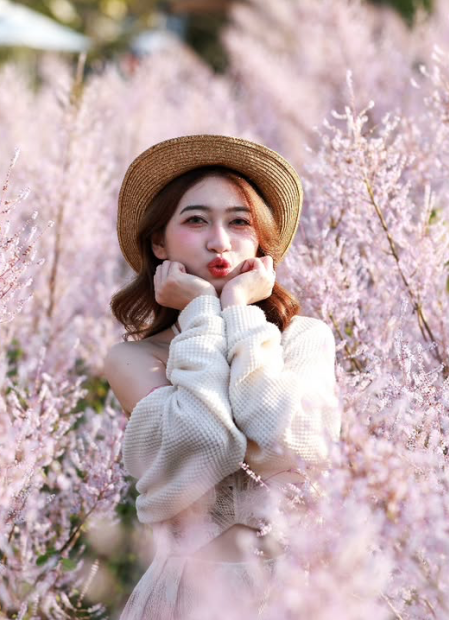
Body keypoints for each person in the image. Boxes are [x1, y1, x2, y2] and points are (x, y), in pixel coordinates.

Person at [103, 135, 341, 619]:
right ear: (158, 241)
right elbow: (208, 439)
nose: (220, 241)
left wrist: (235, 310)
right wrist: (202, 312)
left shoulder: (304, 339)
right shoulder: (134, 359)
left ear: (261, 241)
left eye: (239, 222)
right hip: (184, 601)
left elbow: (290, 440)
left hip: (292, 598)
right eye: (196, 220)